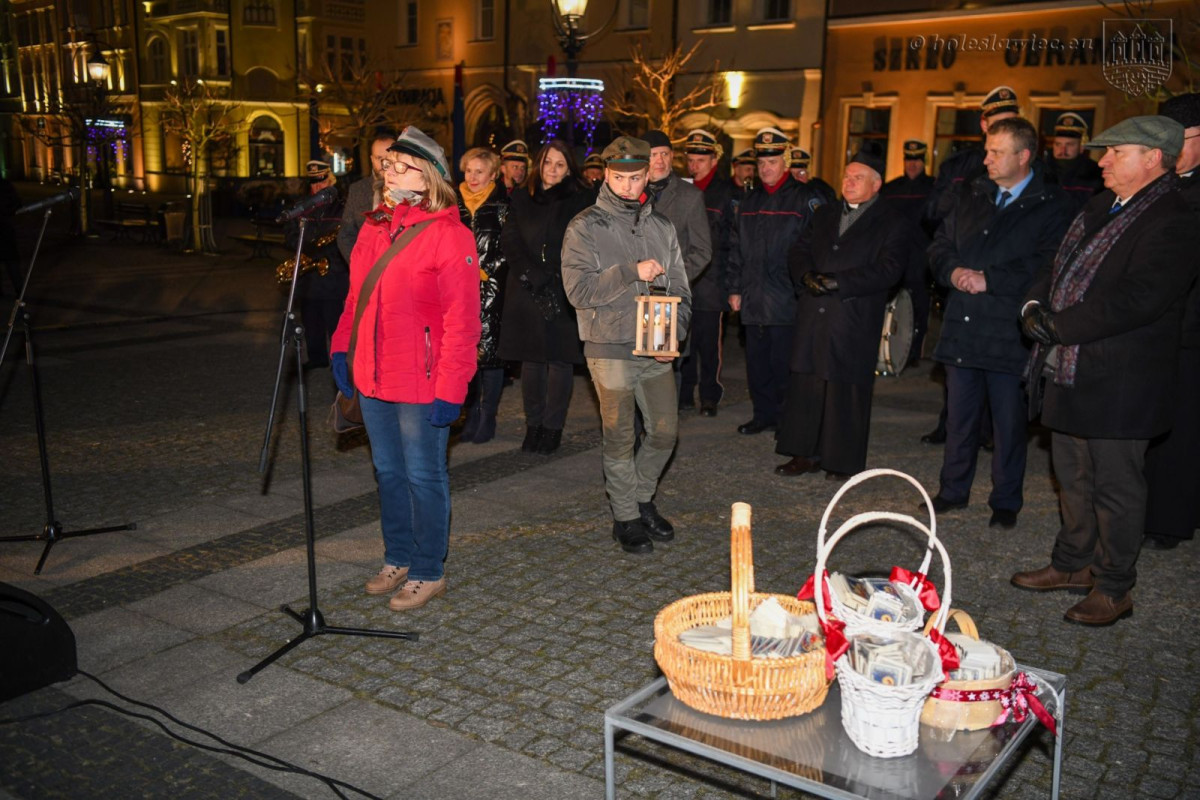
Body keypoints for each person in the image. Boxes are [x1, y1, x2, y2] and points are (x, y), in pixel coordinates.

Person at [1011, 116, 1200, 626]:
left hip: (1122, 379)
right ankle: (1073, 563)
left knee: (1116, 488)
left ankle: (1115, 587)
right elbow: (1054, 266)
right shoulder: (1100, 205)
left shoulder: (1176, 217)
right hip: (1073, 369)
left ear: (1153, 158)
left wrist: (1058, 326)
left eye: (1117, 152)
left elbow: (1139, 299)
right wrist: (1033, 306)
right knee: (1072, 475)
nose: (1103, 161)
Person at [330, 127, 481, 611]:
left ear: (430, 177)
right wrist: (341, 350)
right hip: (373, 375)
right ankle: (397, 556)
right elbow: (355, 298)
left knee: (423, 475)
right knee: (388, 472)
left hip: (422, 380)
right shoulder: (375, 226)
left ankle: (427, 569)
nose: (389, 172)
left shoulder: (450, 235)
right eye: (387, 164)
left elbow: (463, 322)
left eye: (402, 166)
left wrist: (452, 387)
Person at [926, 117, 1073, 528]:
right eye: (987, 150)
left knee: (1008, 423)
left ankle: (1006, 501)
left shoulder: (1052, 205)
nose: (986, 159)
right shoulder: (971, 193)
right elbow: (939, 245)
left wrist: (991, 280)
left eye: (996, 152)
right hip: (963, 326)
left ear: (1023, 156)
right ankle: (952, 491)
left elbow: (1047, 263)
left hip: (1010, 332)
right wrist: (953, 272)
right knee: (960, 417)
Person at [561, 136, 692, 554]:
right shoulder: (585, 225)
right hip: (609, 346)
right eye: (619, 177)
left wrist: (674, 335)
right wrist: (630, 271)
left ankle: (640, 498)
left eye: (635, 177)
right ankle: (626, 518)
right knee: (619, 436)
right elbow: (578, 291)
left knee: (665, 432)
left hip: (655, 345)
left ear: (647, 175)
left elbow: (681, 288)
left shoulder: (661, 226)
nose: (627, 186)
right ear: (606, 174)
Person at [774, 146, 906, 480]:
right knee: (807, 383)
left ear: (876, 184)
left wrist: (840, 282)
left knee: (845, 390)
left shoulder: (891, 220)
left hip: (853, 316)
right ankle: (803, 453)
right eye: (847, 176)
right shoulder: (826, 213)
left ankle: (841, 460)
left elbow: (890, 269)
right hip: (814, 312)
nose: (849, 182)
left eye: (857, 178)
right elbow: (799, 250)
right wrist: (806, 275)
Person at [498, 140, 593, 454]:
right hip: (526, 287)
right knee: (532, 361)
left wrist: (556, 275)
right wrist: (532, 275)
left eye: (560, 164)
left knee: (560, 361)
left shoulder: (579, 199)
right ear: (539, 164)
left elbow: (583, 244)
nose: (552, 169)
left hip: (562, 287)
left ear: (569, 170)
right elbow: (510, 240)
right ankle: (534, 425)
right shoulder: (521, 197)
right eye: (548, 162)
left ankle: (553, 428)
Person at [726, 127, 822, 435]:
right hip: (754, 297)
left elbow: (817, 250)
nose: (766, 168)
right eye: (762, 162)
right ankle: (763, 414)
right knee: (757, 364)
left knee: (785, 365)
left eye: (773, 162)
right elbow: (735, 248)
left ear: (786, 161)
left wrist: (807, 292)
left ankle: (786, 419)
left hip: (788, 299)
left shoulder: (804, 199)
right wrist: (735, 288)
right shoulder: (749, 201)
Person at [1142, 93, 1200, 550]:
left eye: (1182, 139)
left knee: (1182, 430)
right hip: (1157, 327)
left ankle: (1169, 521)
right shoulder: (1160, 186)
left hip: (1191, 331)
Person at [642, 130, 712, 412]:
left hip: (666, 299)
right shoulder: (629, 191)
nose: (660, 160)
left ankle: (662, 429)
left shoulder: (689, 196)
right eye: (653, 155)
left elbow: (702, 250)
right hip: (630, 294)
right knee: (631, 367)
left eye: (664, 154)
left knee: (665, 367)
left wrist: (672, 279)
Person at [456, 146, 510, 444]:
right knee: (464, 353)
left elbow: (510, 247)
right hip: (459, 289)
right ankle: (470, 414)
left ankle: (488, 415)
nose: (473, 177)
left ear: (492, 175)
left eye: (480, 171)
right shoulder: (453, 204)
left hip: (492, 289)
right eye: (469, 170)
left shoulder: (503, 205)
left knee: (490, 355)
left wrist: (488, 269)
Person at [681, 129, 734, 416]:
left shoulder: (725, 192)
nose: (694, 166)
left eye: (700, 160)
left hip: (712, 280)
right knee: (682, 338)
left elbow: (732, 238)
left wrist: (731, 283)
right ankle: (685, 393)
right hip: (684, 276)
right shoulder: (681, 188)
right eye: (690, 160)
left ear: (714, 160)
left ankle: (709, 395)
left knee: (709, 344)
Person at [926, 86, 1020, 227]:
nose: (1005, 130)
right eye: (998, 124)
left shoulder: (1030, 168)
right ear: (984, 125)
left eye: (1011, 124)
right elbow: (932, 216)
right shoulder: (958, 166)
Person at [286, 160, 348, 369]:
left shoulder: (342, 207)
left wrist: (329, 257)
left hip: (333, 276)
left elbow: (347, 239)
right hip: (309, 278)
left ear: (331, 181)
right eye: (313, 183)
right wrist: (308, 249)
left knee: (336, 323)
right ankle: (317, 358)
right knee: (311, 321)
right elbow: (290, 236)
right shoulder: (302, 207)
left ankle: (340, 362)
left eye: (322, 182)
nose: (317, 187)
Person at [880, 140, 936, 364]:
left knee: (918, 308)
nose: (913, 164)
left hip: (920, 261)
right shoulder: (891, 189)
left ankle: (912, 353)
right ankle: (889, 353)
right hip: (894, 258)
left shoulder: (934, 188)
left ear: (924, 161)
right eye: (909, 159)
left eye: (917, 160)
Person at [338, 132, 395, 262]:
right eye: (379, 158)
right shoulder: (357, 190)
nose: (384, 163)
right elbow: (345, 235)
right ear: (371, 159)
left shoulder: (410, 189)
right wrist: (359, 265)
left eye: (389, 157)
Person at [1043, 112, 1103, 213]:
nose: (1062, 150)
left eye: (1069, 145)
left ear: (1081, 147)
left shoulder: (1096, 174)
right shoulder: (1040, 171)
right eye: (1058, 144)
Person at [0, 177, 21, 299]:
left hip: (5, 228)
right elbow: (16, 204)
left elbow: (16, 203)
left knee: (12, 263)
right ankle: (19, 291)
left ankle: (19, 291)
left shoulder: (5, 185)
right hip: (5, 228)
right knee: (12, 263)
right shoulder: (5, 185)